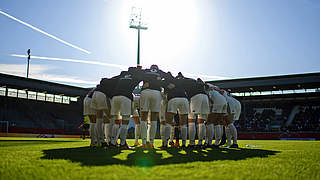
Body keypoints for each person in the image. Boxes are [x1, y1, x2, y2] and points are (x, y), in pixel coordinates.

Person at [109, 67, 143, 148]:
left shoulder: (122, 76)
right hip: (126, 97)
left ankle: (112, 142)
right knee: (125, 122)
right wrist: (139, 70)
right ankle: (123, 143)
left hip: (115, 97)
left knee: (116, 122)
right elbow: (143, 76)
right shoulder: (135, 77)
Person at [139, 65, 168, 149]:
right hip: (156, 93)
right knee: (154, 118)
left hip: (145, 92)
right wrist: (160, 82)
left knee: (143, 117)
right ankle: (151, 143)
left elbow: (136, 75)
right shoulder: (160, 72)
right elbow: (168, 77)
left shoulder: (146, 70)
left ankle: (144, 143)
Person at [162, 72, 189, 148]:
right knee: (183, 124)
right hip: (184, 99)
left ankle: (165, 143)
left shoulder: (166, 81)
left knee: (168, 122)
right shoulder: (180, 81)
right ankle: (183, 144)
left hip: (173, 98)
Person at [91, 76, 118, 147]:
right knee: (111, 117)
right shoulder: (110, 86)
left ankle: (100, 141)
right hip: (101, 95)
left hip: (94, 95)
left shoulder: (100, 86)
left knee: (98, 119)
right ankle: (110, 140)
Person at [183, 77, 209, 148]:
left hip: (196, 96)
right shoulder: (198, 83)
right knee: (201, 122)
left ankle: (191, 143)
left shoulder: (185, 81)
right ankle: (200, 143)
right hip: (205, 97)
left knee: (191, 120)